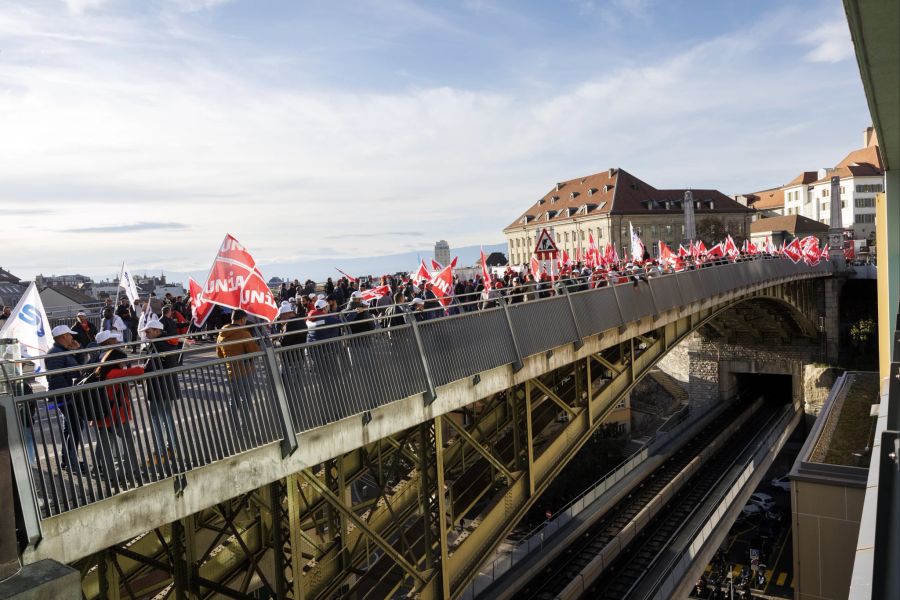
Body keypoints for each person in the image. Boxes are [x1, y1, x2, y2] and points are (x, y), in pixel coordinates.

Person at [89, 348, 143, 486]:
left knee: (108, 447)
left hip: (102, 416)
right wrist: (134, 367)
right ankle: (132, 471)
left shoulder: (101, 371)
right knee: (129, 441)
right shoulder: (114, 373)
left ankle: (111, 477)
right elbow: (138, 371)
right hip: (114, 416)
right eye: (123, 361)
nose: (125, 364)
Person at [45, 324, 88, 473]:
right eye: (70, 335)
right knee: (75, 427)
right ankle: (71, 462)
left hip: (68, 395)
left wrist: (78, 351)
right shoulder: (56, 353)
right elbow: (56, 378)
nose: (72, 337)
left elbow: (78, 367)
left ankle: (69, 460)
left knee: (71, 427)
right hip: (65, 396)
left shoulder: (63, 351)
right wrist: (69, 395)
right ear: (63, 336)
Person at [140, 317, 181, 470]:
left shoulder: (159, 344)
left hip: (159, 386)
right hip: (166, 385)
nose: (147, 334)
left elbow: (151, 366)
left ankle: (161, 450)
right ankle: (171, 447)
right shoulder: (166, 342)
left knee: (158, 418)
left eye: (149, 332)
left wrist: (140, 372)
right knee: (166, 416)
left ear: (157, 331)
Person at [216, 309, 261, 438]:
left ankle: (236, 429)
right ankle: (245, 428)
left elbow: (219, 354)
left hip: (231, 372)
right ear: (242, 320)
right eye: (245, 320)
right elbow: (254, 351)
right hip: (246, 371)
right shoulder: (244, 333)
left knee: (233, 401)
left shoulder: (220, 334)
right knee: (246, 400)